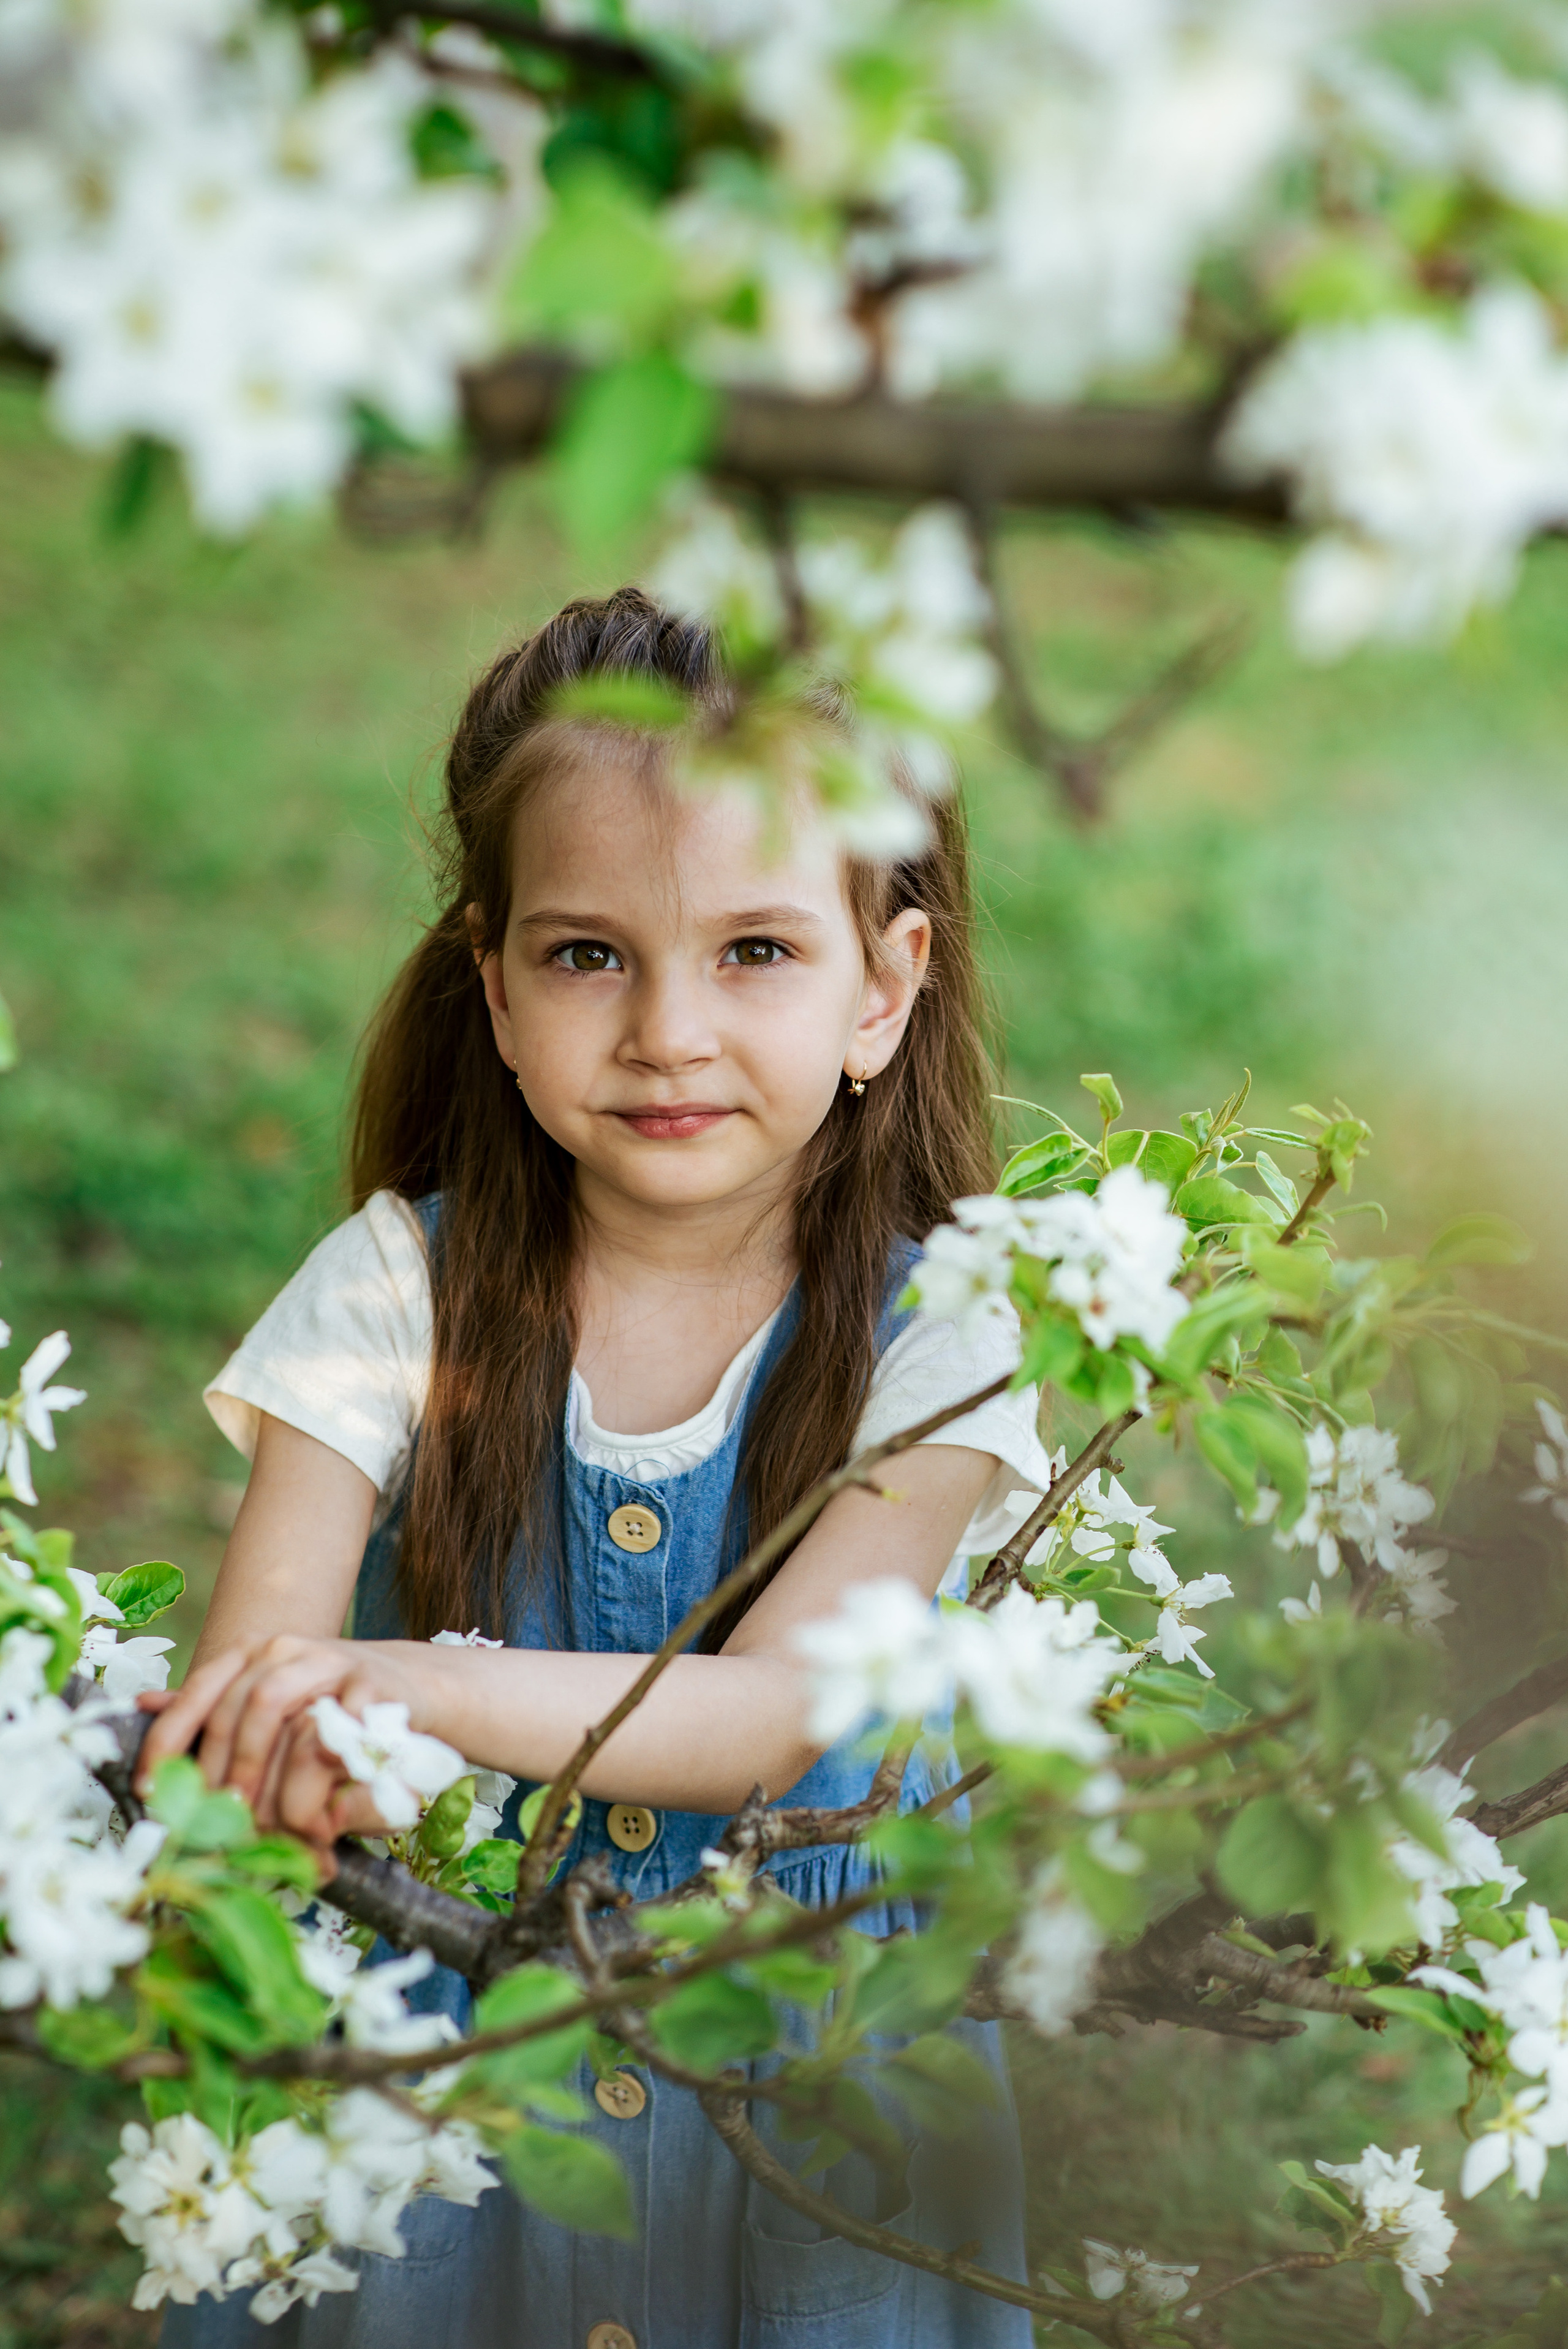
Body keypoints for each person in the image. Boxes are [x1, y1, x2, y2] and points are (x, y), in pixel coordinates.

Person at [145, 588, 1057, 2349]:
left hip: (800, 2096)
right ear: (491, 984)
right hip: (452, 2101)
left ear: (887, 984)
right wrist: (283, 1746)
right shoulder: (391, 1289)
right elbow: (264, 1678)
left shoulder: (959, 1327)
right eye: (588, 954)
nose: (666, 1029)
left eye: (756, 951)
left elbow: (784, 1708)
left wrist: (405, 1683)